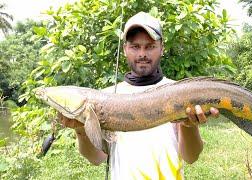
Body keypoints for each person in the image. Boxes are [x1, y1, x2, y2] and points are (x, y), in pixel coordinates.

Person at [59, 11, 219, 179]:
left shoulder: (178, 91)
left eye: (150, 46)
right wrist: (80, 130)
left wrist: (189, 124)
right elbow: (97, 158)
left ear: (162, 48)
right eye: (135, 46)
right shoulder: (106, 98)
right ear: (125, 49)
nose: (142, 54)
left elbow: (191, 157)